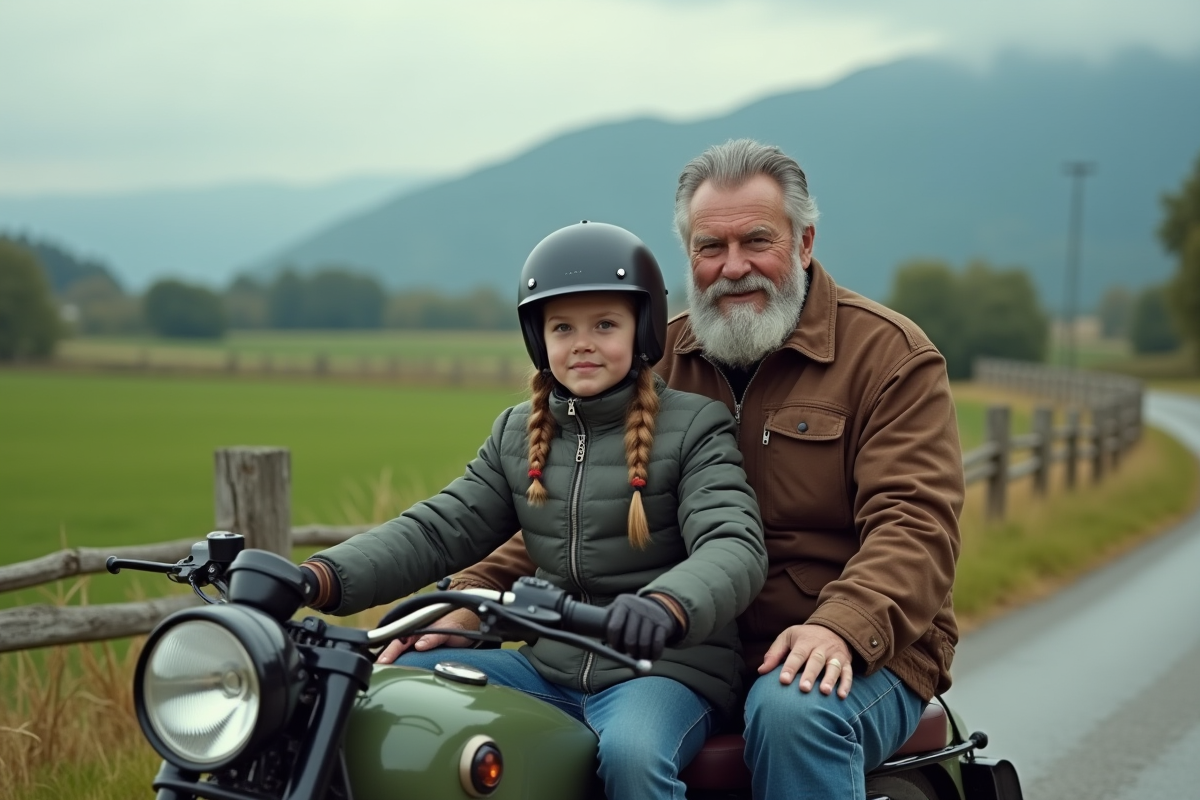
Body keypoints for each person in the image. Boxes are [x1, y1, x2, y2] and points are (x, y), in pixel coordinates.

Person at [402, 139, 965, 800]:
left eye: (757, 241)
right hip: (679, 654)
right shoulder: (651, 357)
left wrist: (839, 626)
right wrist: (470, 599)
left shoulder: (889, 357)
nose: (734, 267)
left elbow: (915, 526)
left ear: (805, 242)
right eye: (710, 247)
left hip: (856, 644)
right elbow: (573, 507)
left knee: (794, 712)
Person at [298, 220, 767, 800]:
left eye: (605, 324)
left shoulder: (694, 426)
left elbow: (733, 544)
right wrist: (318, 577)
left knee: (633, 755)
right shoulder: (517, 434)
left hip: (664, 670)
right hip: (547, 668)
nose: (582, 343)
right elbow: (439, 529)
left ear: (643, 330)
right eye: (562, 327)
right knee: (389, 690)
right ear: (538, 339)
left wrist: (665, 607)